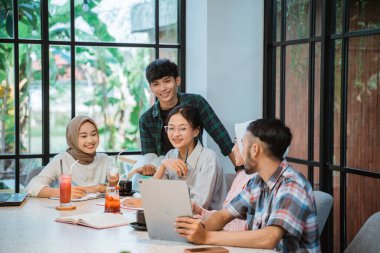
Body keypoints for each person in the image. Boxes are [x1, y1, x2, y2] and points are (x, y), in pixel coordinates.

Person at [175, 119, 321, 252]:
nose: (237, 149)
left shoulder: (292, 184)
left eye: (242, 143)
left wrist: (205, 237)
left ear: (255, 149)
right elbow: (222, 216)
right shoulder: (257, 182)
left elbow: (269, 238)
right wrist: (197, 228)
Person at [138, 59, 235, 174]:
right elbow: (150, 158)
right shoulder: (146, 120)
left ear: (177, 80)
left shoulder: (196, 102)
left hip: (196, 171)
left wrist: (240, 170)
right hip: (166, 176)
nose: (162, 88)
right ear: (150, 87)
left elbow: (222, 138)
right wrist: (149, 170)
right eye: (156, 84)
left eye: (167, 81)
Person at [150, 105, 227, 210]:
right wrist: (163, 165)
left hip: (205, 222)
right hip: (175, 216)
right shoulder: (171, 155)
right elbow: (152, 195)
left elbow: (199, 205)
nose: (175, 134)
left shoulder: (209, 158)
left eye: (182, 128)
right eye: (171, 128)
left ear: (195, 131)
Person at [26, 115, 111, 198]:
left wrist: (108, 185)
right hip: (68, 210)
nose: (90, 140)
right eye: (83, 136)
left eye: (93, 134)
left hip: (99, 211)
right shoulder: (61, 160)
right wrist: (62, 192)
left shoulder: (104, 159)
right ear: (72, 138)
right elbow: (32, 187)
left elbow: (118, 188)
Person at [192, 142, 255, 231]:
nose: (233, 149)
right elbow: (224, 216)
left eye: (237, 142)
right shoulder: (241, 176)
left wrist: (203, 223)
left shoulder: (256, 181)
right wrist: (200, 212)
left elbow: (248, 228)